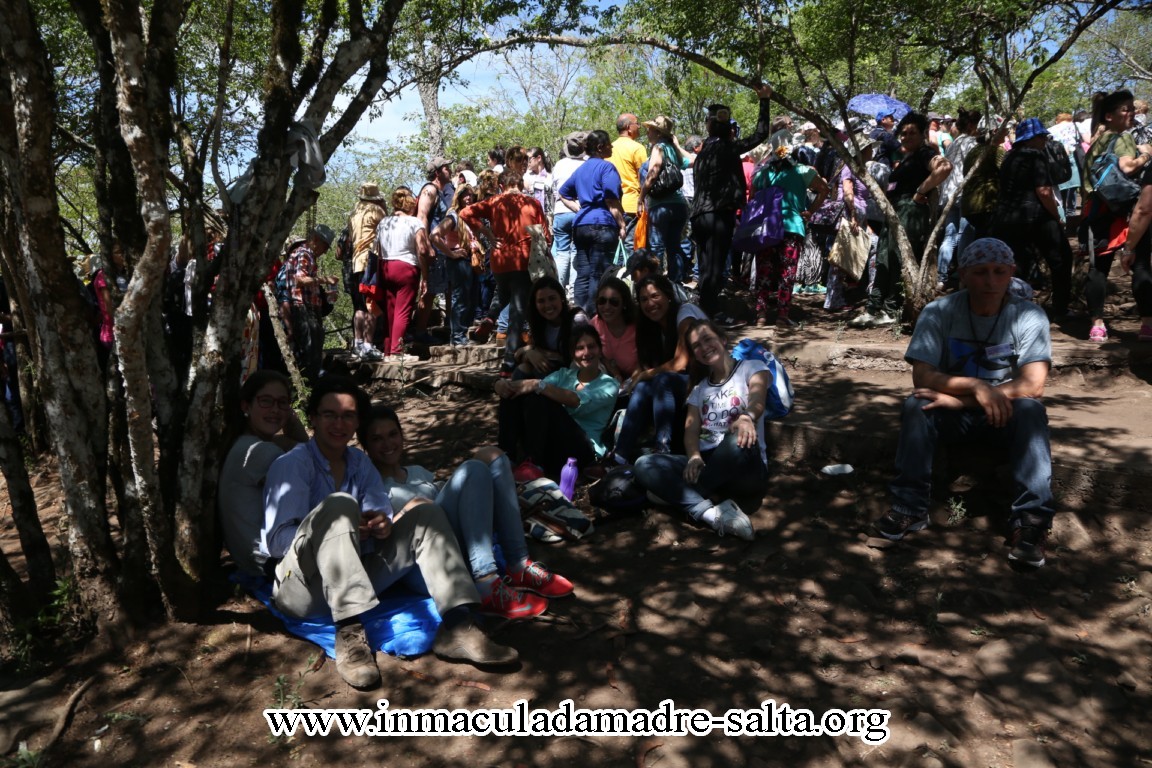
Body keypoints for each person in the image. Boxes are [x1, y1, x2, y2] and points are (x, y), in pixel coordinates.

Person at [260, 376, 517, 688]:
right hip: (304, 589)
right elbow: (276, 543)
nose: (339, 424)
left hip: (359, 573)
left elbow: (380, 512)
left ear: (357, 422)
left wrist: (381, 525)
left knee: (426, 513)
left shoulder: (359, 463)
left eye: (348, 416)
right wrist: (332, 533)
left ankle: (458, 625)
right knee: (340, 506)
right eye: (329, 415)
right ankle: (350, 636)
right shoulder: (293, 465)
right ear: (313, 418)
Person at [873, 239, 1054, 568]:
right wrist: (976, 386)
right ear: (964, 275)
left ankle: (1031, 523)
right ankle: (909, 507)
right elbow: (923, 375)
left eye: (999, 272)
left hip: (1002, 413)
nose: (990, 281)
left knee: (1031, 409)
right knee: (917, 405)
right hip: (956, 413)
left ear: (1011, 272)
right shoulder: (939, 312)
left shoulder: (1029, 315)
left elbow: (1033, 384)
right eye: (980, 272)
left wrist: (963, 401)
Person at [361, 404, 574, 621]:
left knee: (493, 456)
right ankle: (487, 583)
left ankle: (518, 564)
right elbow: (385, 544)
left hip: (456, 541)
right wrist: (409, 509)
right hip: (425, 563)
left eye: (392, 434)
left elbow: (452, 498)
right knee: (473, 469)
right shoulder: (371, 486)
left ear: (401, 435)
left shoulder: (418, 472)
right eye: (377, 439)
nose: (387, 444)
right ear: (365, 446)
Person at [633, 319, 768, 541]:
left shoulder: (752, 367)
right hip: (706, 463)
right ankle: (709, 513)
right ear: (695, 355)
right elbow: (691, 429)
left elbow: (757, 399)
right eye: (696, 346)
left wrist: (747, 417)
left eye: (708, 339)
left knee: (738, 438)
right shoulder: (699, 388)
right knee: (644, 463)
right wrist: (694, 456)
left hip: (743, 466)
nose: (704, 347)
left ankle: (678, 493)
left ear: (723, 340)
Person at [852, 112, 952, 328]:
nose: (906, 137)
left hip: (910, 210)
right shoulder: (908, 157)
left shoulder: (925, 153)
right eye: (903, 133)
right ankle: (873, 309)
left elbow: (945, 167)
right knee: (883, 258)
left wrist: (920, 192)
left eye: (912, 133)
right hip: (894, 211)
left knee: (897, 259)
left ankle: (890, 310)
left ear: (923, 134)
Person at [690, 83, 774, 323]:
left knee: (706, 266)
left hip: (699, 216)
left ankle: (705, 310)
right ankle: (711, 313)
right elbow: (760, 134)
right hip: (717, 215)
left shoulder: (703, 153)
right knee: (714, 266)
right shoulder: (727, 147)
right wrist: (764, 100)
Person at [495, 324, 620, 478]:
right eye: (580, 348)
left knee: (539, 394)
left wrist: (537, 385)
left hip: (583, 450)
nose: (586, 353)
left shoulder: (609, 384)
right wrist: (501, 385)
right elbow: (527, 388)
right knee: (514, 394)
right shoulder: (564, 375)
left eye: (591, 346)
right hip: (553, 443)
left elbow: (576, 401)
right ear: (573, 354)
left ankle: (534, 463)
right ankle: (506, 458)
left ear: (600, 350)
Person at [218, 370, 308, 581]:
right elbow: (316, 471)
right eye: (266, 401)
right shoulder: (260, 452)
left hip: (252, 559)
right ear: (246, 406)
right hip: (269, 564)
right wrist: (296, 434)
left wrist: (290, 430)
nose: (275, 410)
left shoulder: (247, 443)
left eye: (282, 403)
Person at [460, 170, 552, 375]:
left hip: (500, 261)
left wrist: (487, 234)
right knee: (517, 312)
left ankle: (490, 319)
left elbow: (465, 213)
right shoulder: (533, 203)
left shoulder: (494, 201)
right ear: (520, 184)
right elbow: (546, 236)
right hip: (523, 261)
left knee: (503, 294)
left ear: (502, 186)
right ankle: (509, 363)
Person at [610, 275, 708, 463]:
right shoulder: (651, 327)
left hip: (705, 382)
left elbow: (680, 364)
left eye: (655, 296)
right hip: (683, 384)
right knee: (642, 387)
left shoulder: (685, 313)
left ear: (668, 295)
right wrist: (636, 378)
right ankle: (619, 456)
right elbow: (649, 365)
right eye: (644, 299)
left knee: (662, 381)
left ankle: (662, 449)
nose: (650, 303)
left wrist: (645, 374)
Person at [1080, 89, 1152, 343]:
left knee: (1098, 268)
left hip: (1097, 210)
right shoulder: (1123, 138)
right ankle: (1147, 325)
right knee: (1140, 264)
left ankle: (1097, 325)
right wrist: (1147, 153)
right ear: (1109, 116)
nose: (1131, 113)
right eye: (1125, 109)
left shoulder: (1097, 141)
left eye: (1132, 108)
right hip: (1125, 212)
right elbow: (1127, 167)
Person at [990, 118, 1072, 317]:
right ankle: (1060, 309)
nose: (1045, 139)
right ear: (1030, 138)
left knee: (1017, 265)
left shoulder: (1009, 156)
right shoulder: (1035, 155)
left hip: (1007, 218)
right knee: (1062, 259)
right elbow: (1044, 191)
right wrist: (1056, 217)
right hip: (1035, 217)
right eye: (1041, 136)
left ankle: (1013, 310)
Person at [749, 145, 830, 327]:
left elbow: (752, 197)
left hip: (767, 227)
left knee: (764, 270)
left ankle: (761, 315)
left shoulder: (763, 174)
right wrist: (810, 211)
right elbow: (824, 189)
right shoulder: (803, 171)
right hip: (792, 227)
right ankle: (782, 316)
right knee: (787, 272)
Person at [557, 130, 627, 314]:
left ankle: (580, 315)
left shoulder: (581, 170)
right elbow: (611, 200)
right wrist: (622, 224)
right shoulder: (607, 168)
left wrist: (580, 210)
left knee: (583, 274)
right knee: (599, 273)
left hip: (581, 226)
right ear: (600, 147)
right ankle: (595, 315)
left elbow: (563, 193)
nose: (612, 148)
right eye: (609, 144)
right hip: (602, 225)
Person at [375, 187, 431, 362]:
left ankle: (388, 351)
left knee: (389, 310)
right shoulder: (414, 223)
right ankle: (397, 352)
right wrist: (425, 276)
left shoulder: (384, 223)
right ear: (411, 204)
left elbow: (378, 249)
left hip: (385, 266)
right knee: (403, 310)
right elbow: (422, 250)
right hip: (406, 268)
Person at [638, 116, 691, 284]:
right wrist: (677, 145)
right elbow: (693, 160)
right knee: (674, 247)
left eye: (650, 129)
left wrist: (641, 197)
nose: (647, 132)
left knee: (656, 247)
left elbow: (653, 173)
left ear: (658, 132)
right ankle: (676, 285)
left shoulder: (659, 148)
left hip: (661, 206)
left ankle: (656, 284)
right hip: (679, 205)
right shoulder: (673, 150)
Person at [430, 184, 483, 346]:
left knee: (471, 297)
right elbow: (435, 235)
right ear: (458, 197)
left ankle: (462, 335)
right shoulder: (453, 217)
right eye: (465, 195)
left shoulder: (471, 216)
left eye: (471, 195)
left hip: (470, 259)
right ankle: (457, 337)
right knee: (460, 298)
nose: (468, 198)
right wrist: (451, 253)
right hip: (458, 260)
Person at [283, 225, 337, 383]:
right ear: (316, 240)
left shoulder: (305, 254)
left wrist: (324, 295)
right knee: (310, 348)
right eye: (325, 246)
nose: (324, 251)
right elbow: (300, 279)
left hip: (308, 305)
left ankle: (312, 381)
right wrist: (325, 279)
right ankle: (309, 384)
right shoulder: (304, 253)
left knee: (314, 346)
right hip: (302, 306)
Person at [514, 276, 587, 380]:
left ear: (562, 298)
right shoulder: (539, 323)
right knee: (523, 369)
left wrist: (544, 354)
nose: (547, 305)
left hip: (575, 376)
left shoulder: (577, 319)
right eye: (541, 301)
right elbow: (519, 354)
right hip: (549, 374)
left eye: (552, 298)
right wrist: (530, 354)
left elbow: (582, 357)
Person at [347, 183, 388, 360]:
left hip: (356, 262)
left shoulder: (354, 212)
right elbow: (387, 229)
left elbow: (350, 238)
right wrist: (384, 208)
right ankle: (368, 345)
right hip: (370, 261)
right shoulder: (376, 211)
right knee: (372, 303)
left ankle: (357, 344)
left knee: (359, 305)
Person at [550, 131, 588, 298]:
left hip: (560, 211)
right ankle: (573, 292)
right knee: (576, 252)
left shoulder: (559, 165)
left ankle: (558, 290)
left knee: (562, 253)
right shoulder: (586, 164)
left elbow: (554, 189)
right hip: (580, 211)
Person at [609, 113, 648, 252]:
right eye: (637, 123)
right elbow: (644, 177)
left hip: (612, 206)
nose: (639, 127)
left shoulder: (609, 148)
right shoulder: (637, 148)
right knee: (631, 246)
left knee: (615, 248)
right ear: (628, 127)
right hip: (632, 205)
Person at [590, 275, 638, 381]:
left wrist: (630, 382)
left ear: (624, 304)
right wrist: (615, 372)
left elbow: (646, 362)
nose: (607, 307)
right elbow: (600, 356)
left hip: (638, 379)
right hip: (611, 378)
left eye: (614, 302)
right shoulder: (595, 324)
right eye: (602, 301)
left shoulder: (638, 325)